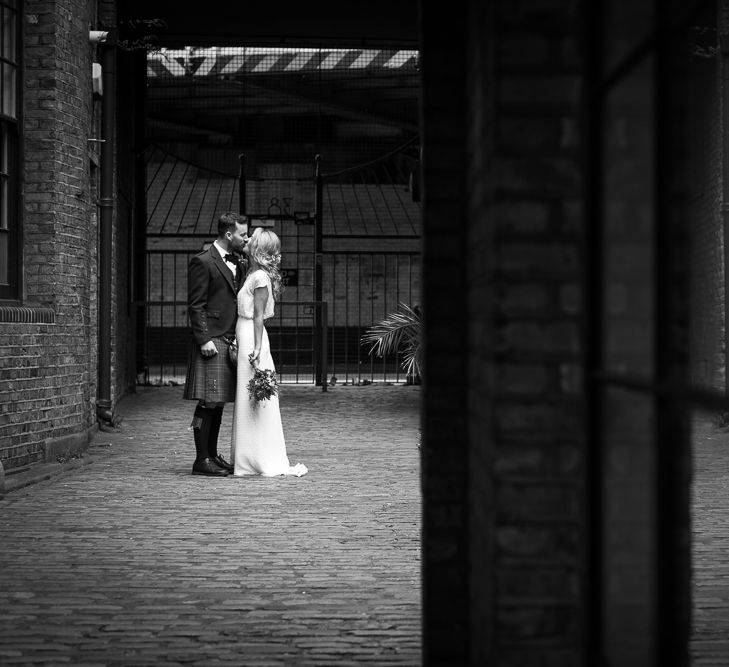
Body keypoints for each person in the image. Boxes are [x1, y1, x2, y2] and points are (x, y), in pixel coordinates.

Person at [230, 228, 308, 477]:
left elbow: (258, 316)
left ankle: (259, 456)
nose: (247, 238)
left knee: (254, 396)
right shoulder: (253, 272)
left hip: (253, 338)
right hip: (243, 333)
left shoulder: (260, 277)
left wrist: (254, 348)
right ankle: (248, 455)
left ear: (257, 248)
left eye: (251, 237)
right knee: (246, 395)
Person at [183, 211, 249, 476]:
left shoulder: (240, 262)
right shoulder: (203, 261)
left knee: (218, 401)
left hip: (231, 337)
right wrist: (204, 339)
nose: (246, 238)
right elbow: (195, 305)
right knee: (207, 402)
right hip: (213, 339)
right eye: (243, 234)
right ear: (228, 234)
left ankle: (211, 455)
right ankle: (201, 459)